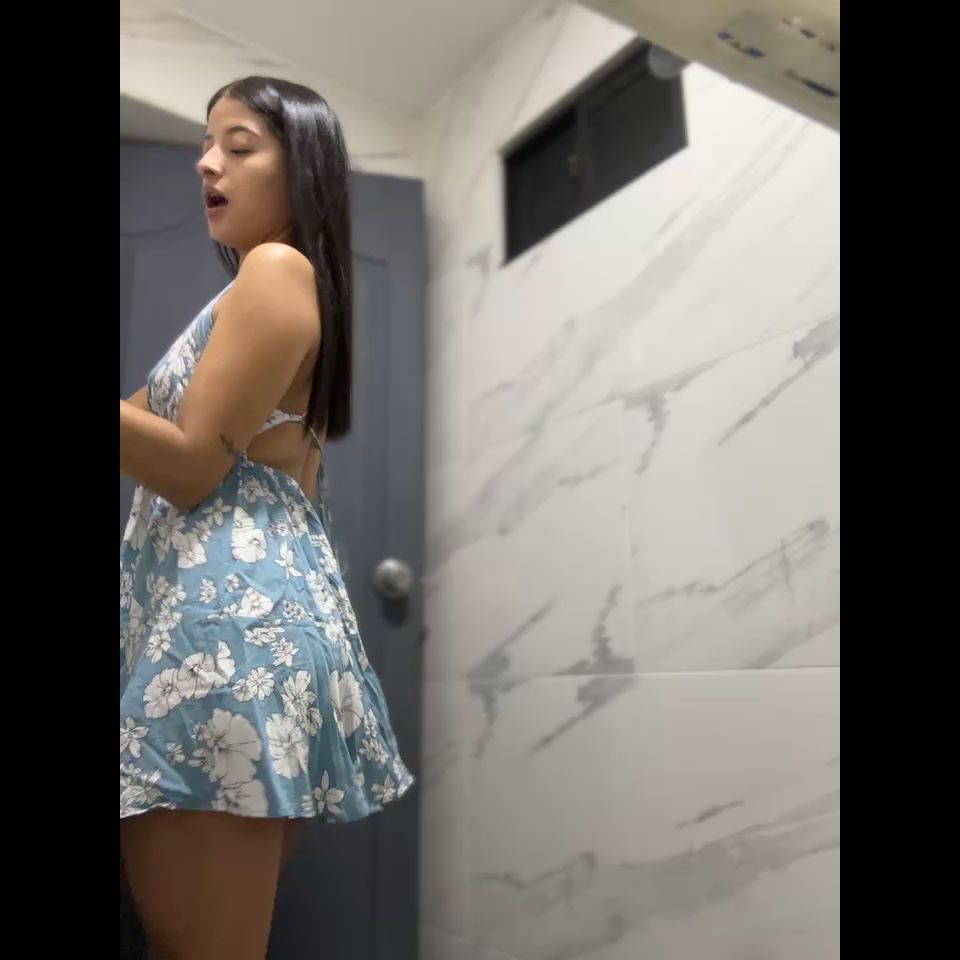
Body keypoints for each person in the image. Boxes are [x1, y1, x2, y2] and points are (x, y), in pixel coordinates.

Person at [119, 76, 413, 960]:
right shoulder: (244, 296)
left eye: (239, 146)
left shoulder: (277, 271)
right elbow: (142, 428)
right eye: (207, 146)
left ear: (303, 169)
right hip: (226, 630)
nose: (208, 163)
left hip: (228, 634)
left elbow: (189, 465)